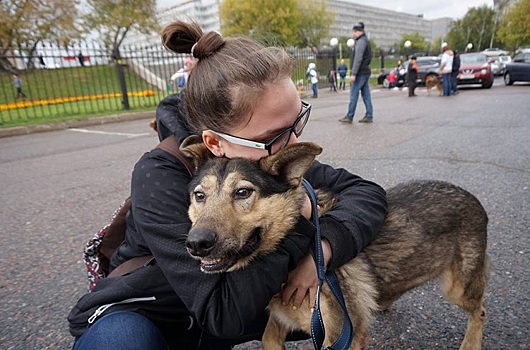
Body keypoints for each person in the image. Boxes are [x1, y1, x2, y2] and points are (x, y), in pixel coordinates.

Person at [68, 20, 388, 350]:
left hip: (216, 329)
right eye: (274, 135)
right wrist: (300, 225)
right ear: (215, 143)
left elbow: (369, 194)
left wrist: (322, 251)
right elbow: (224, 314)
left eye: (298, 122)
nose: (292, 142)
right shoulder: (157, 175)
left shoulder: (267, 161)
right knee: (124, 342)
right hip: (146, 315)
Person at [338, 22, 374, 124]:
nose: (353, 34)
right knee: (366, 95)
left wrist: (353, 73)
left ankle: (349, 116)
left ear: (359, 31)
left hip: (360, 73)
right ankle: (369, 115)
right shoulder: (365, 40)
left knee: (354, 94)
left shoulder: (361, 42)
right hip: (365, 71)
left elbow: (358, 58)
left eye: (354, 31)